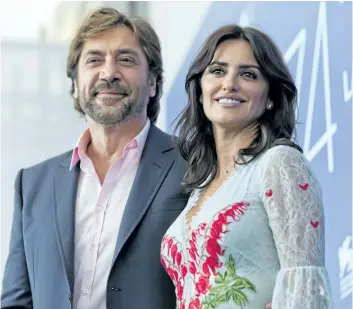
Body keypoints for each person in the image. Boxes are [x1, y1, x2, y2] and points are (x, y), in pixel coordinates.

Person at [1, 7, 189, 309]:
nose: (109, 73)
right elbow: (16, 301)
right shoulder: (32, 184)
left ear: (153, 83)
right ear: (75, 84)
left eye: (126, 59)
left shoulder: (193, 166)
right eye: (94, 60)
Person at [160, 24, 334, 309]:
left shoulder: (279, 163)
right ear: (200, 89)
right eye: (217, 71)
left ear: (270, 98)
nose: (229, 83)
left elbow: (306, 289)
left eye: (248, 74)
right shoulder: (200, 187)